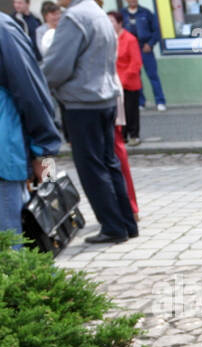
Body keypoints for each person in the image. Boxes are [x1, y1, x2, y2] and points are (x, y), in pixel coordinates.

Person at [41, 0, 136, 244]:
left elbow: (57, 66)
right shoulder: (97, 12)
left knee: (92, 168)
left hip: (82, 102)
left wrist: (39, 83)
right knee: (109, 163)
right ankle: (126, 222)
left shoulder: (74, 17)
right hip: (104, 98)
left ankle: (113, 226)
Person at [0, 10, 59, 241]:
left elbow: (30, 92)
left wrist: (44, 153)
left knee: (14, 244)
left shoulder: (4, 30)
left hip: (6, 161)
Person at [120, 0, 164, 110]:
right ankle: (140, 102)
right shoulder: (122, 14)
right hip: (130, 49)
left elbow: (156, 31)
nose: (132, 1)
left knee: (153, 76)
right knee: (135, 76)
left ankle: (160, 101)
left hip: (145, 48)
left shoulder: (146, 13)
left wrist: (150, 44)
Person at [107, 9, 140, 146]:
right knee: (118, 112)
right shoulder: (108, 39)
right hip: (114, 82)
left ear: (120, 23)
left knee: (130, 110)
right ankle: (123, 135)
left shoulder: (129, 39)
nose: (109, 25)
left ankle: (134, 135)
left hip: (129, 82)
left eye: (112, 22)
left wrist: (124, 79)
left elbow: (136, 62)